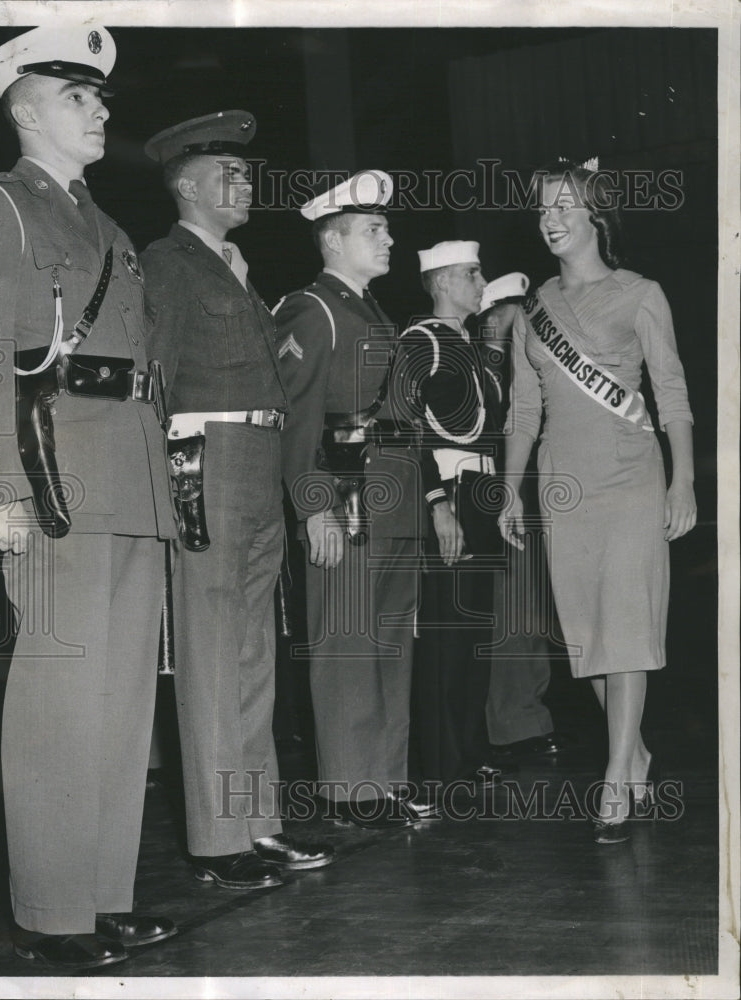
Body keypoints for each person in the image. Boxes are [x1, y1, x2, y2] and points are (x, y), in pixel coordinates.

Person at [0, 26, 179, 969]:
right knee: (59, 700)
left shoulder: (113, 229)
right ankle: (50, 911)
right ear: (22, 107)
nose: (99, 108)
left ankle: (100, 896)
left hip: (130, 482)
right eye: (75, 94)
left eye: (101, 96)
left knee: (121, 702)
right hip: (52, 483)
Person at [140, 112, 334, 889]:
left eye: (247, 171)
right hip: (208, 463)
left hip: (255, 462)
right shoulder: (168, 263)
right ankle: (219, 841)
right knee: (215, 656)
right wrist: (169, 489)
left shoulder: (235, 267)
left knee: (254, 658)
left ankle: (259, 825)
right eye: (229, 171)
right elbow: (154, 382)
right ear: (187, 185)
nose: (247, 181)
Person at [499, 159, 696, 843]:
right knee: (586, 638)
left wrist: (684, 480)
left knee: (627, 631)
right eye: (542, 210)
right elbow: (523, 412)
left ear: (595, 217)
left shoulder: (640, 294)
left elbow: (671, 393)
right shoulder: (532, 313)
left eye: (562, 207)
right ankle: (634, 750)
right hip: (564, 486)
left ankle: (615, 778)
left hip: (631, 479)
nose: (550, 220)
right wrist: (508, 490)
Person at [274, 171, 424, 828]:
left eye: (386, 227)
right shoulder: (313, 309)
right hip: (347, 498)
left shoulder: (369, 309)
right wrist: (312, 506)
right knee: (345, 643)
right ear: (333, 239)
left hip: (393, 500)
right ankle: (346, 787)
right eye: (374, 229)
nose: (388, 238)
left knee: (389, 644)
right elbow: (296, 417)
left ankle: (384, 779)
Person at [397, 241, 514, 809]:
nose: (481, 281)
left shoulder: (469, 345)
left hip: (483, 494)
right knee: (444, 631)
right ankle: (437, 766)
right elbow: (407, 428)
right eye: (473, 273)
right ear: (441, 282)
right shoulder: (420, 342)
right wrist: (436, 503)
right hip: (452, 493)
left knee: (474, 633)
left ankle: (466, 753)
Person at [476, 277, 567, 764]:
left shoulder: (527, 368)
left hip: (534, 499)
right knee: (510, 616)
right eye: (517, 316)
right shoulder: (476, 369)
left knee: (533, 616)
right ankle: (510, 725)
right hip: (495, 502)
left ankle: (527, 716)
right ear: (491, 318)